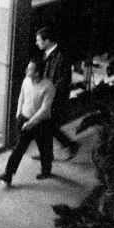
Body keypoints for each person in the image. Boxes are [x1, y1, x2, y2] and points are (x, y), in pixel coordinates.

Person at [0, 59, 55, 186]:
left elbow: (44, 109)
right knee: (19, 148)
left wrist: (31, 122)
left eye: (30, 69)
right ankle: (8, 174)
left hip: (41, 123)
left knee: (44, 148)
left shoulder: (48, 87)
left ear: (38, 72)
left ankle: (46, 170)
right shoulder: (26, 81)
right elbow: (21, 97)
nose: (27, 70)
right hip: (25, 118)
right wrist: (19, 113)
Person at [35, 26, 79, 161]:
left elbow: (62, 81)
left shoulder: (61, 57)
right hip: (49, 96)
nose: (37, 43)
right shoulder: (49, 54)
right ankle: (65, 147)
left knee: (47, 126)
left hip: (55, 98)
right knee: (47, 126)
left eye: (39, 41)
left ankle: (69, 145)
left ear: (47, 41)